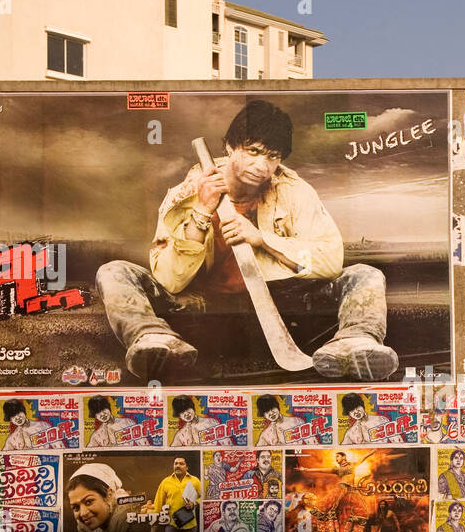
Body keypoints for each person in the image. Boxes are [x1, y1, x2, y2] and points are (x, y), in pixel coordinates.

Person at [95, 99, 398, 382]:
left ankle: (353, 344)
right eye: (253, 151)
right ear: (229, 146)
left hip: (281, 303)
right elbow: (171, 281)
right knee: (114, 272)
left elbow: (331, 259)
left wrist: (262, 240)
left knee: (365, 274)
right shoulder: (184, 196)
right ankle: (155, 341)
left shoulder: (294, 191)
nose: (263, 166)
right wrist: (202, 213)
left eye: (273, 156)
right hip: (204, 305)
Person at [66, 463, 137, 532]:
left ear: (109, 495)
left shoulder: (129, 521)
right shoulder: (99, 529)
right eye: (76, 507)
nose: (83, 513)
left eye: (88, 502)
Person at [150, 456, 202, 532]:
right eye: (176, 463)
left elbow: (204, 497)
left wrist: (194, 504)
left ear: (187, 467)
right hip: (171, 525)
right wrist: (154, 525)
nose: (178, 466)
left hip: (190, 525)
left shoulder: (195, 481)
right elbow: (158, 503)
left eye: (181, 464)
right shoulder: (166, 482)